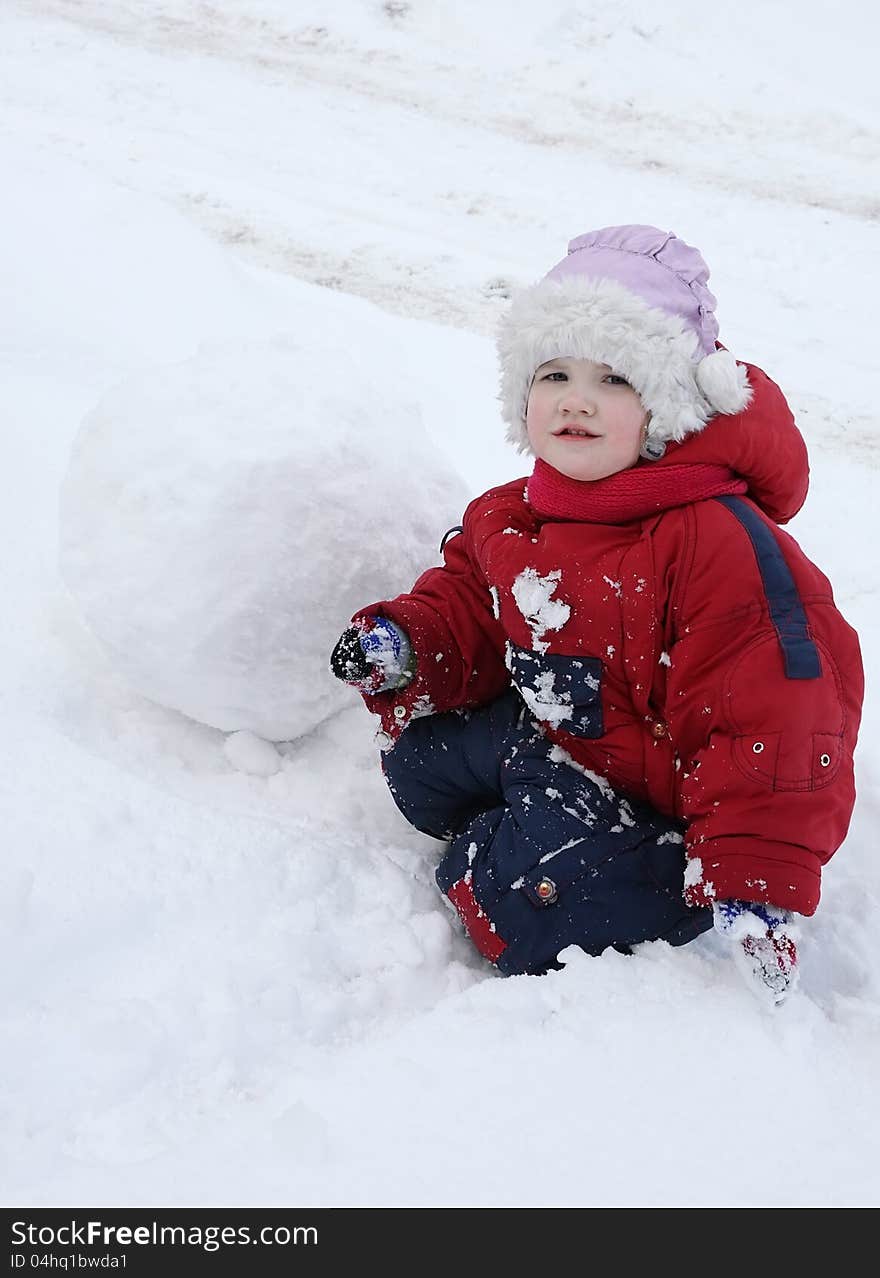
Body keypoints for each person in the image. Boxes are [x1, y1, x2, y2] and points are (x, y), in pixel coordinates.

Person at [330, 225, 864, 1005]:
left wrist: (752, 875)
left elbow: (779, 714)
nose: (576, 399)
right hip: (559, 739)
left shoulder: (713, 541)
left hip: (667, 794)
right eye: (555, 373)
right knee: (416, 763)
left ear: (671, 404)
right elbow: (473, 604)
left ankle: (633, 874)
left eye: (615, 378)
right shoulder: (515, 513)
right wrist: (410, 643)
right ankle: (537, 822)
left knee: (524, 914)